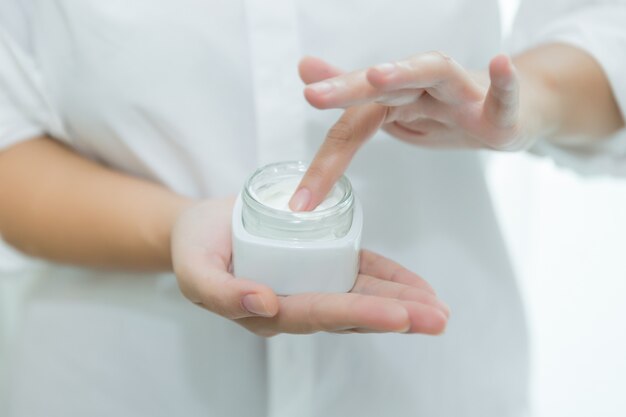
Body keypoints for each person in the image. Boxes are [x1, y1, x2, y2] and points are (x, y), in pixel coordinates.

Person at [0, 0, 624, 416]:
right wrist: (175, 228)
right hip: (115, 380)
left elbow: (605, 30)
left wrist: (527, 102)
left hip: (429, 380)